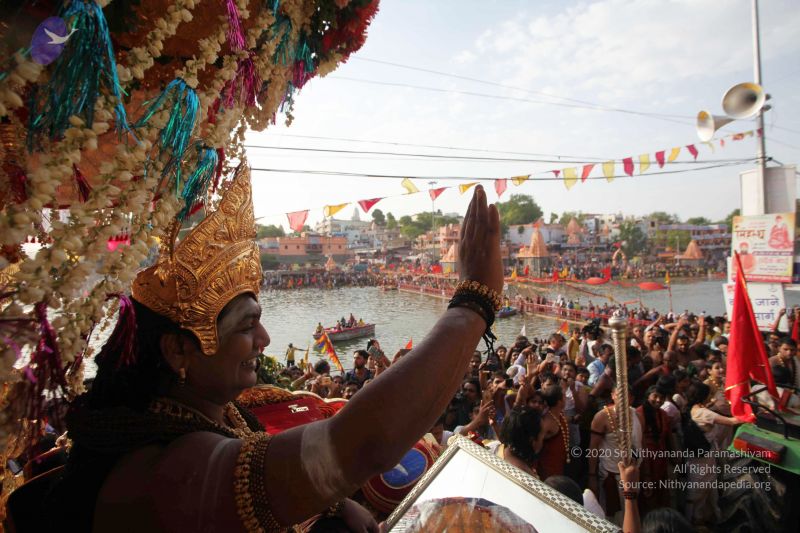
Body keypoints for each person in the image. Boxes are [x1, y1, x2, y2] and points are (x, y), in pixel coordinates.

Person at [39, 176, 504, 531]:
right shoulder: (167, 469)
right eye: (246, 326)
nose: (264, 338)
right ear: (178, 349)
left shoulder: (214, 414)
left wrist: (336, 504)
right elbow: (359, 446)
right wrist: (473, 304)